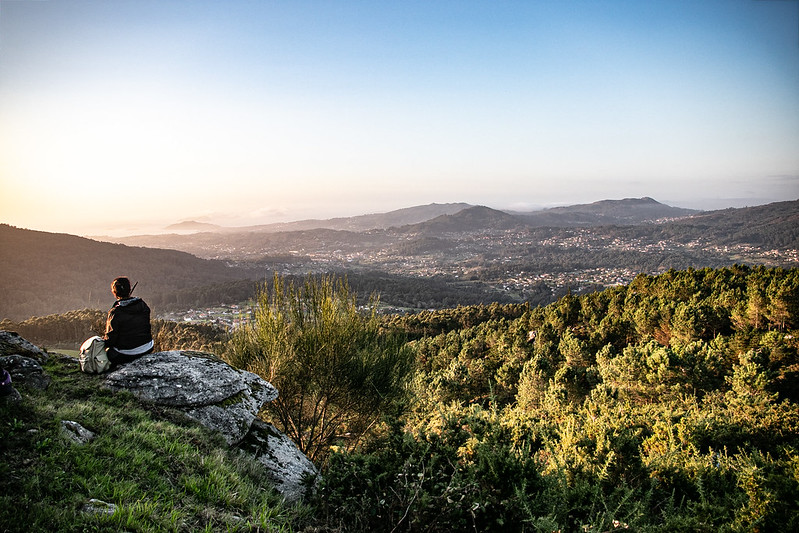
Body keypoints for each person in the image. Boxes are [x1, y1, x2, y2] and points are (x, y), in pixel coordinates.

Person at [104, 277, 154, 365]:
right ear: (129, 289)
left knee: (108, 354)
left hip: (126, 353)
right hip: (147, 347)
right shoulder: (142, 305)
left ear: (114, 292)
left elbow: (110, 340)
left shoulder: (115, 312)